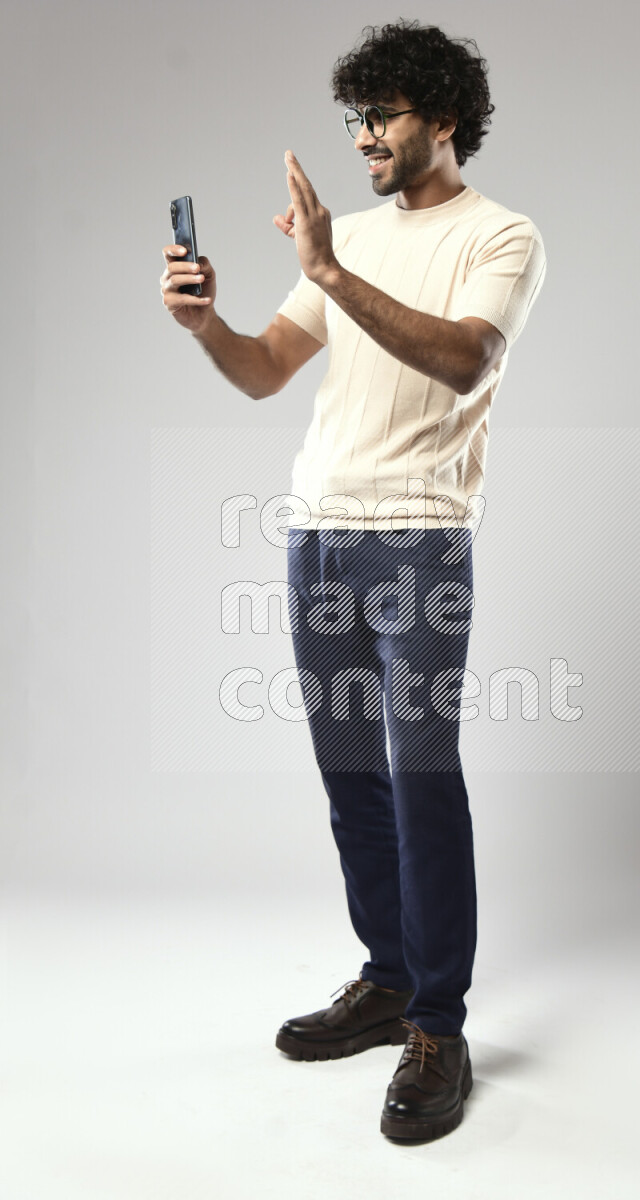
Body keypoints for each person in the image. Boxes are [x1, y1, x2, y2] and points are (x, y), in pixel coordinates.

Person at [160, 18, 546, 1141]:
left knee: (419, 775)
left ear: (443, 117)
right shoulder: (348, 238)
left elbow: (465, 354)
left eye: (380, 115)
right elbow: (267, 369)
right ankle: (386, 977)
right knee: (350, 779)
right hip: (317, 538)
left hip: (419, 543)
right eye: (355, 118)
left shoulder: (502, 235)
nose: (364, 136)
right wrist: (205, 325)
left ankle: (437, 1022)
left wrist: (328, 265)